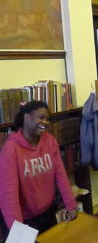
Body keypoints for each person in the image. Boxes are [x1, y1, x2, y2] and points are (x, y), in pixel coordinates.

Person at [0, 101, 77, 237]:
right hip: (23, 220)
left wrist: (70, 203)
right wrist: (18, 231)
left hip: (48, 213)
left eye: (47, 119)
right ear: (26, 117)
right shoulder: (10, 149)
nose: (45, 122)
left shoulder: (50, 141)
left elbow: (60, 174)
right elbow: (8, 195)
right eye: (41, 117)